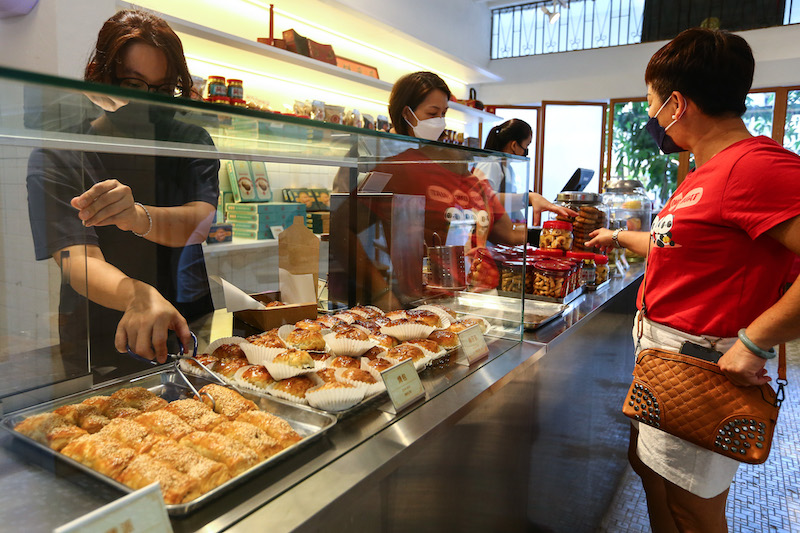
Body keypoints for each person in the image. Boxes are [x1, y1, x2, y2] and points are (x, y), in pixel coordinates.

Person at [585, 28, 800, 532]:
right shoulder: (706, 171)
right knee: (650, 473)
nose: (651, 116)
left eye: (652, 103)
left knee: (691, 506)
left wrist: (756, 340)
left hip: (703, 367)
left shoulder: (757, 168)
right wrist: (616, 237)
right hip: (661, 358)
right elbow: (676, 244)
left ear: (677, 104)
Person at [27, 10, 219, 373]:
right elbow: (75, 259)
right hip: (100, 330)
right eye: (132, 86)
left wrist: (136, 216)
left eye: (163, 91)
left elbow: (200, 221)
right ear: (100, 78)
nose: (148, 105)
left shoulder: (188, 141)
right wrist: (137, 295)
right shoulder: (60, 153)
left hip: (185, 318)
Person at [472, 119, 573, 224]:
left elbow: (510, 206)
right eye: (526, 146)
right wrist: (527, 198)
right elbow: (484, 199)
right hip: (485, 233)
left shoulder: (508, 169)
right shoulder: (490, 164)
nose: (526, 151)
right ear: (514, 145)